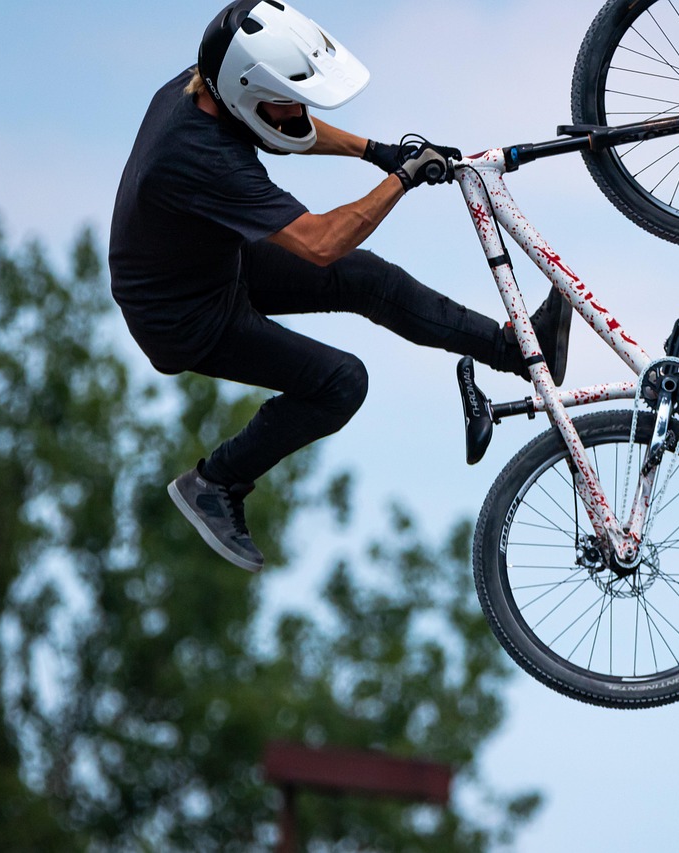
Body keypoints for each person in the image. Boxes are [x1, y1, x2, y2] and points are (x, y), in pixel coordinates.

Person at [109, 0, 570, 572]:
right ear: (244, 93)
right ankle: (213, 483)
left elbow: (286, 127)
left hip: (208, 262)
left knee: (365, 277)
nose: (298, 110)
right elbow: (322, 241)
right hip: (183, 319)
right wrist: (401, 180)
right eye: (288, 97)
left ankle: (517, 352)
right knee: (340, 381)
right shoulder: (201, 157)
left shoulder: (207, 82)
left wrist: (375, 152)